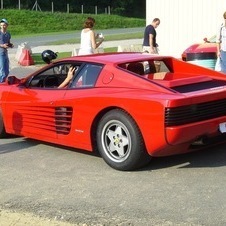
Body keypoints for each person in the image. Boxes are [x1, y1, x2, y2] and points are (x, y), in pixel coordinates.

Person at [0, 18, 13, 83]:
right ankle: (1, 83)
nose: (2, 26)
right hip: (0, 53)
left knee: (7, 70)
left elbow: (8, 42)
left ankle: (3, 82)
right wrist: (2, 45)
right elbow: (2, 44)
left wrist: (11, 45)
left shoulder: (8, 34)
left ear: (7, 25)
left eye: (4, 25)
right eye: (1, 25)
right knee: (2, 70)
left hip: (5, 53)